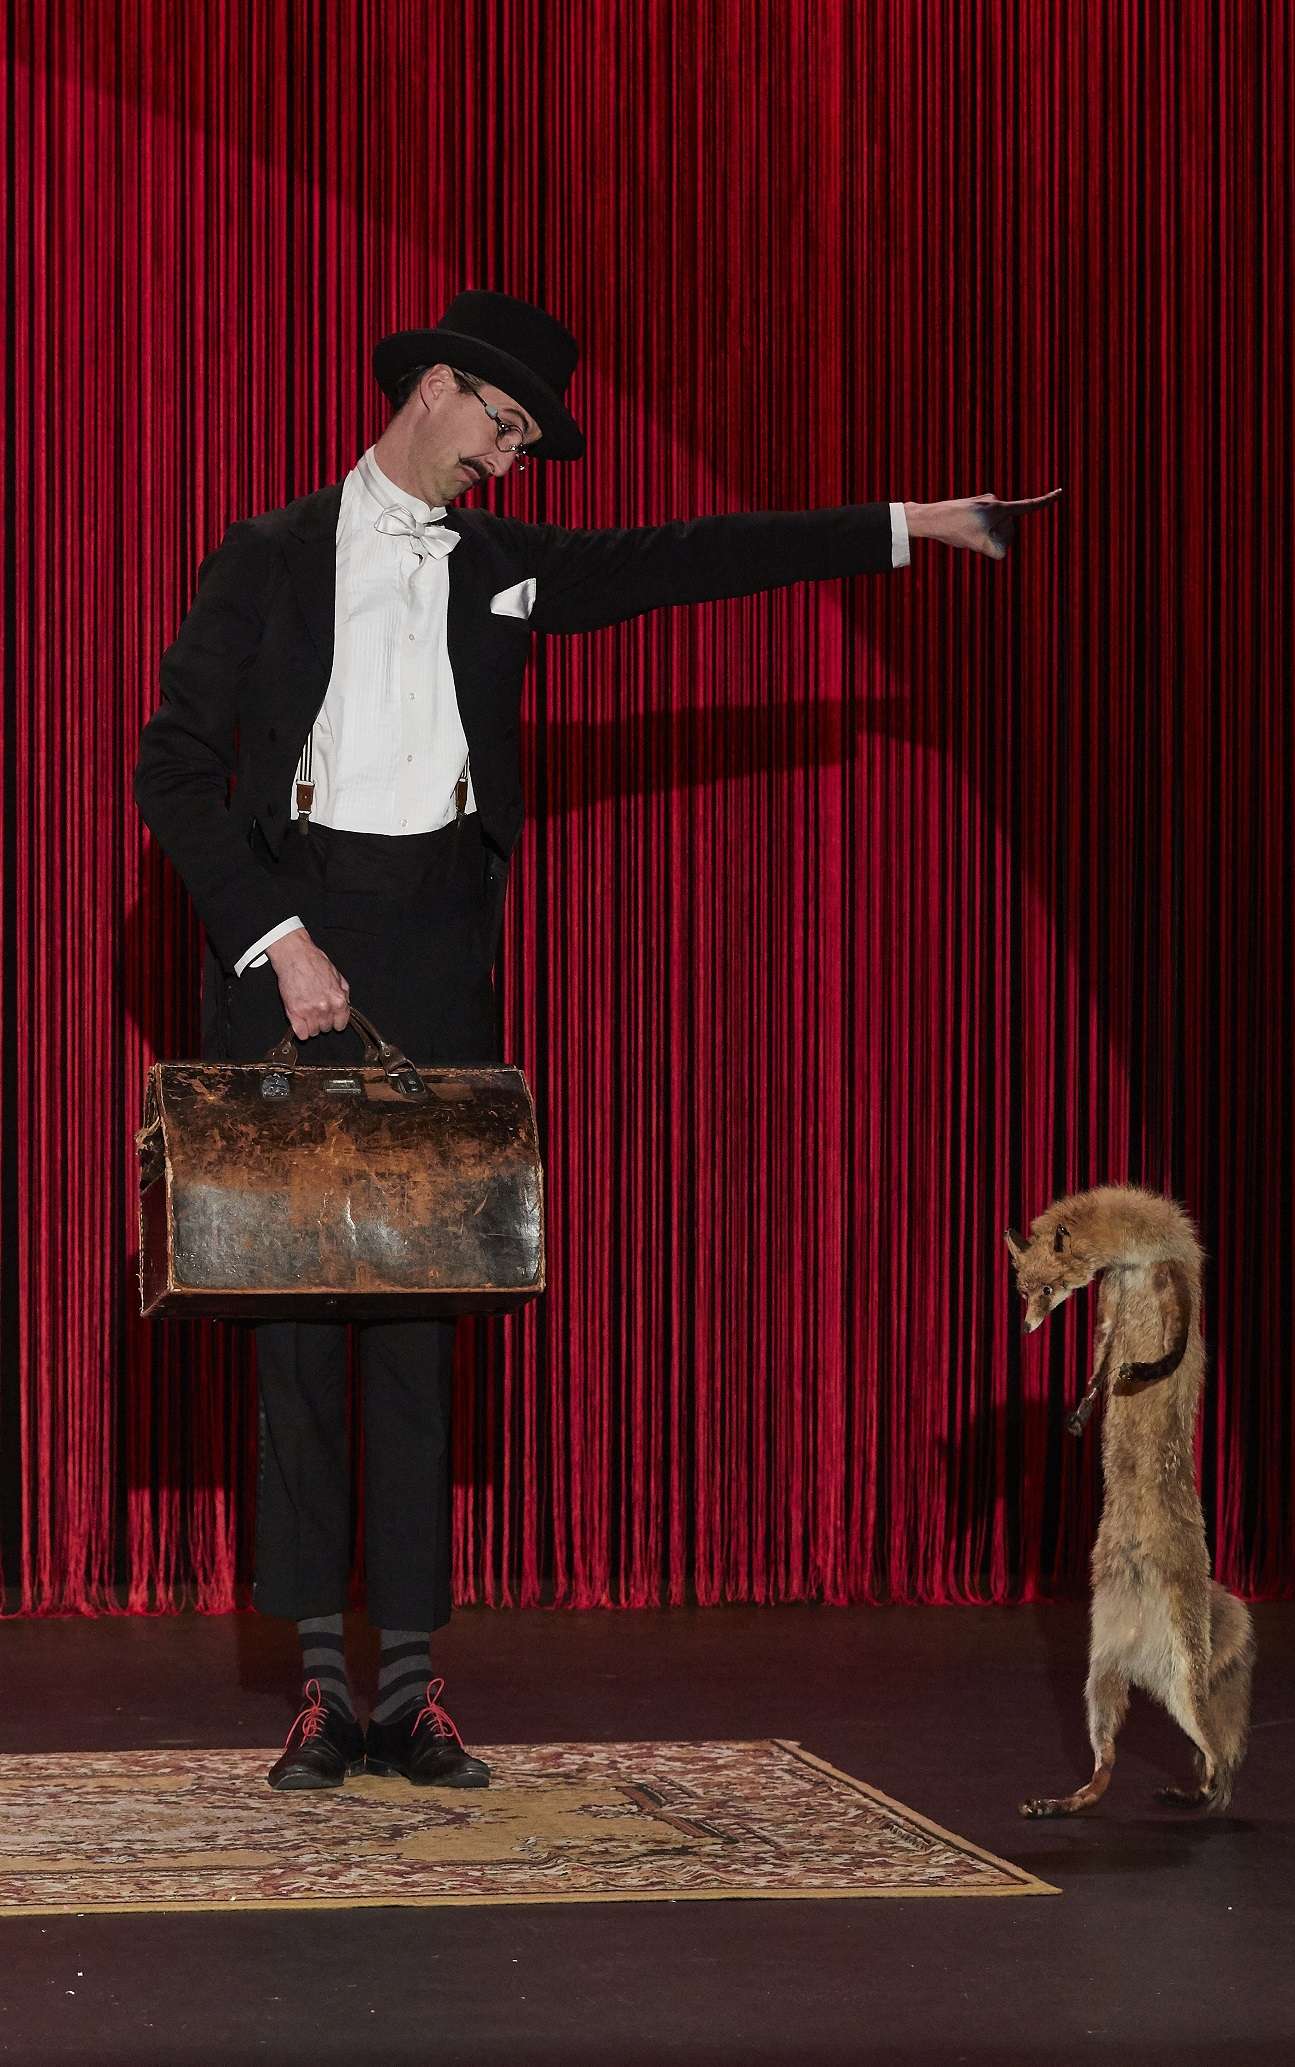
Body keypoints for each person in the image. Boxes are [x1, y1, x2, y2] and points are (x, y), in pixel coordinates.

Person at [136, 289, 1055, 1791]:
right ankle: (315, 1691)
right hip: (288, 941)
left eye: (517, 441)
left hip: (434, 953)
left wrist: (909, 524)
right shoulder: (267, 554)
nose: (503, 461)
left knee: (423, 1330)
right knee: (297, 1327)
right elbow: (173, 767)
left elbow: (689, 562)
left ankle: (415, 1690)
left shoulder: (506, 564)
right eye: (498, 426)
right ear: (435, 390)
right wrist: (273, 938)